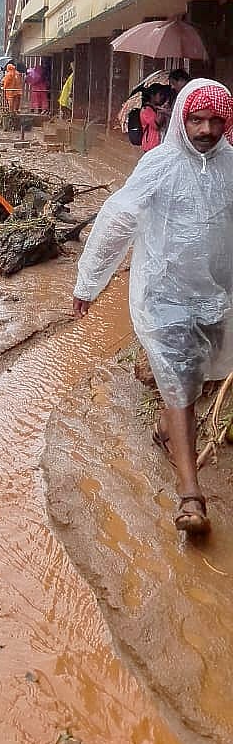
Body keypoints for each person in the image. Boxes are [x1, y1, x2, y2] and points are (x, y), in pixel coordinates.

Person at [72, 78, 233, 536]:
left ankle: (167, 428)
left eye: (215, 120)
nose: (205, 129)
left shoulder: (232, 167)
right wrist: (89, 283)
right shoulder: (158, 166)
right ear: (181, 118)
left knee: (200, 380)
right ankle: (191, 497)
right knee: (181, 386)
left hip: (218, 299)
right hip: (166, 300)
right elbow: (117, 222)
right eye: (197, 119)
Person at [139, 83, 172, 152]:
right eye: (160, 95)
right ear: (152, 96)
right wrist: (162, 112)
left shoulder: (156, 108)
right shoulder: (146, 110)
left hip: (158, 144)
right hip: (150, 145)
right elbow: (156, 125)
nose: (162, 97)